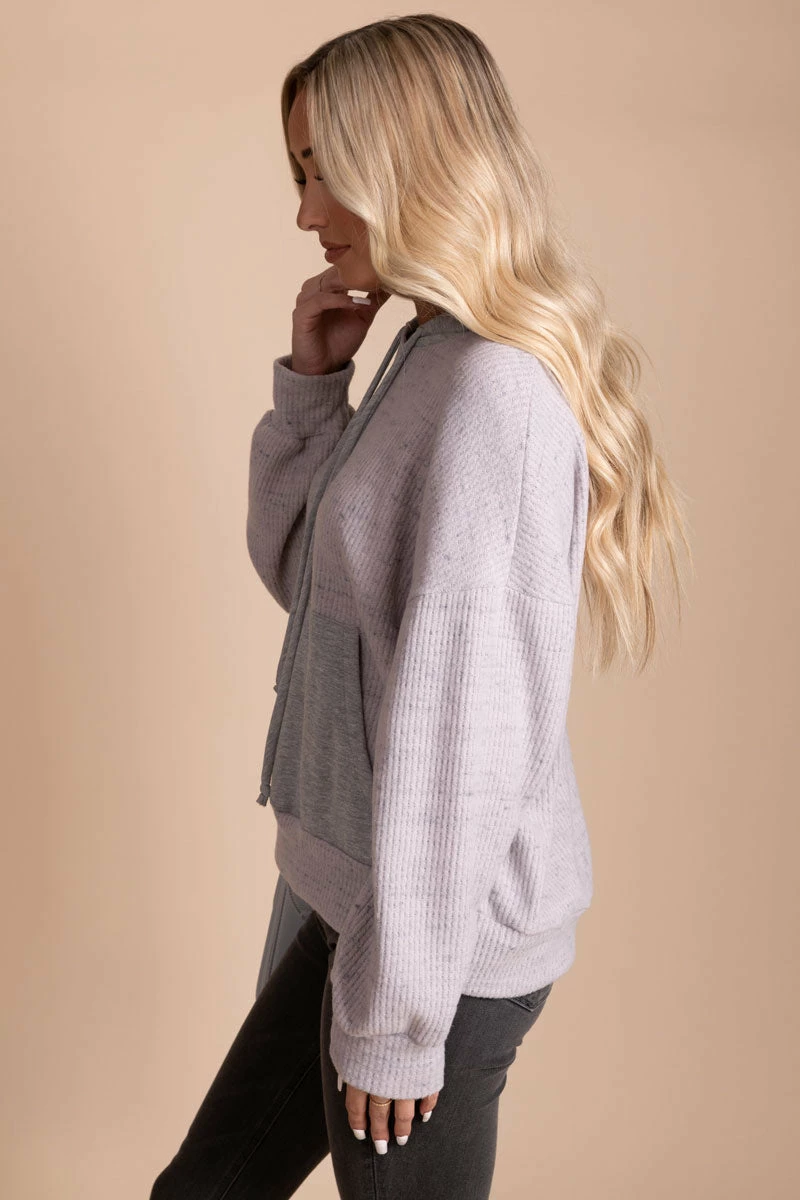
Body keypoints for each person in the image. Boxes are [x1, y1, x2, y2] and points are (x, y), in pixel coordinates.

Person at [149, 14, 690, 1199]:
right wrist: (311, 391)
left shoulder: (490, 394)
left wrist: (400, 1020)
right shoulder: (424, 350)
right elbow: (316, 595)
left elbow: (461, 736)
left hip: (435, 942)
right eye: (296, 175)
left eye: (323, 171)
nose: (305, 212)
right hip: (358, 895)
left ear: (409, 161)